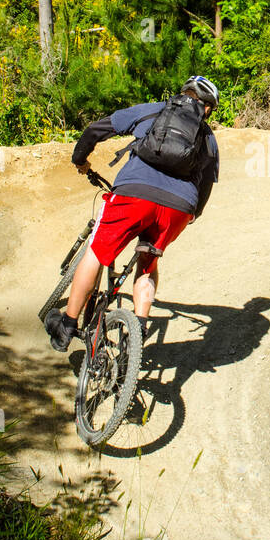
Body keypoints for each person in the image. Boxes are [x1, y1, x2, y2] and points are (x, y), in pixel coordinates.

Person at [44, 75, 220, 352]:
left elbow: (96, 130)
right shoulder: (207, 137)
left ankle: (67, 324)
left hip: (133, 195)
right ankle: (137, 329)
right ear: (208, 108)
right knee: (148, 263)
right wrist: (191, 214)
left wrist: (80, 159)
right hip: (178, 207)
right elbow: (206, 184)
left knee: (98, 252)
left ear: (182, 93)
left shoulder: (154, 110)